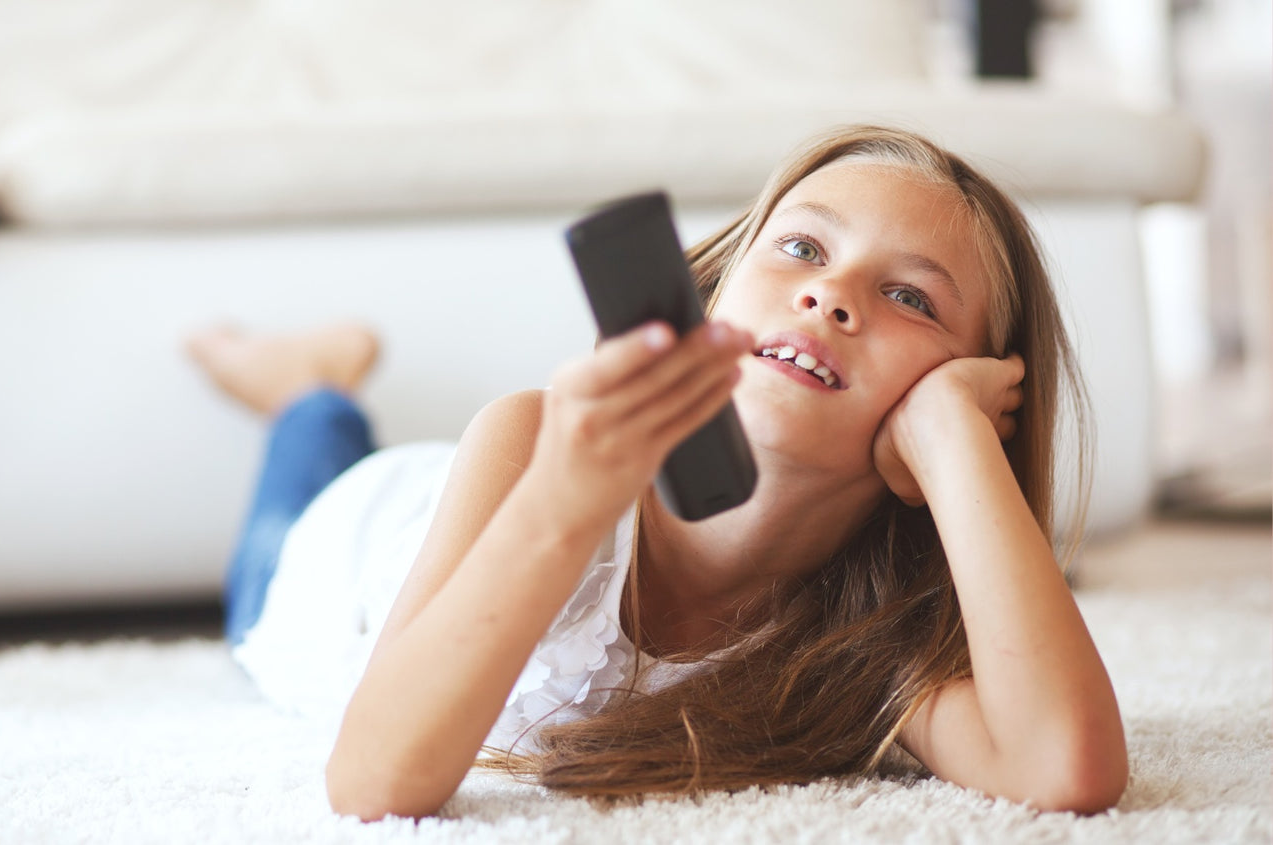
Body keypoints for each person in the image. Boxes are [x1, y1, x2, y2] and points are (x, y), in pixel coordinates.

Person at [185, 125, 1127, 821]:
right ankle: (307, 390)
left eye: (910, 297)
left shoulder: (872, 652)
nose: (830, 295)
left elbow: (1067, 769)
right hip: (346, 551)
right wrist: (565, 497)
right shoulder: (528, 437)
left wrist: (953, 443)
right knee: (302, 477)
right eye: (803, 246)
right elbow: (375, 780)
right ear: (715, 290)